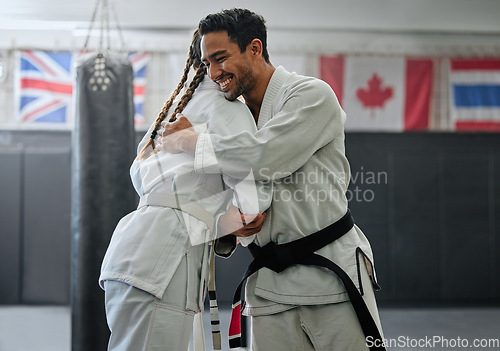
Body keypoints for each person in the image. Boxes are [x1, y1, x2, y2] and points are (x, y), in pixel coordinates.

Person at [162, 8, 386, 351]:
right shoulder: (229, 118)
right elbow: (212, 193)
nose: (214, 72)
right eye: (207, 64)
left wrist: (192, 141)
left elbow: (264, 157)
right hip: (268, 288)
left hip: (329, 277)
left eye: (221, 58)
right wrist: (228, 225)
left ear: (254, 48)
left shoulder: (310, 95)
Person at [98, 29, 270, 351]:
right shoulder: (229, 110)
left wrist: (213, 218)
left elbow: (141, 176)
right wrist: (238, 226)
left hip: (128, 254)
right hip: (165, 262)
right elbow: (253, 203)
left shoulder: (172, 110)